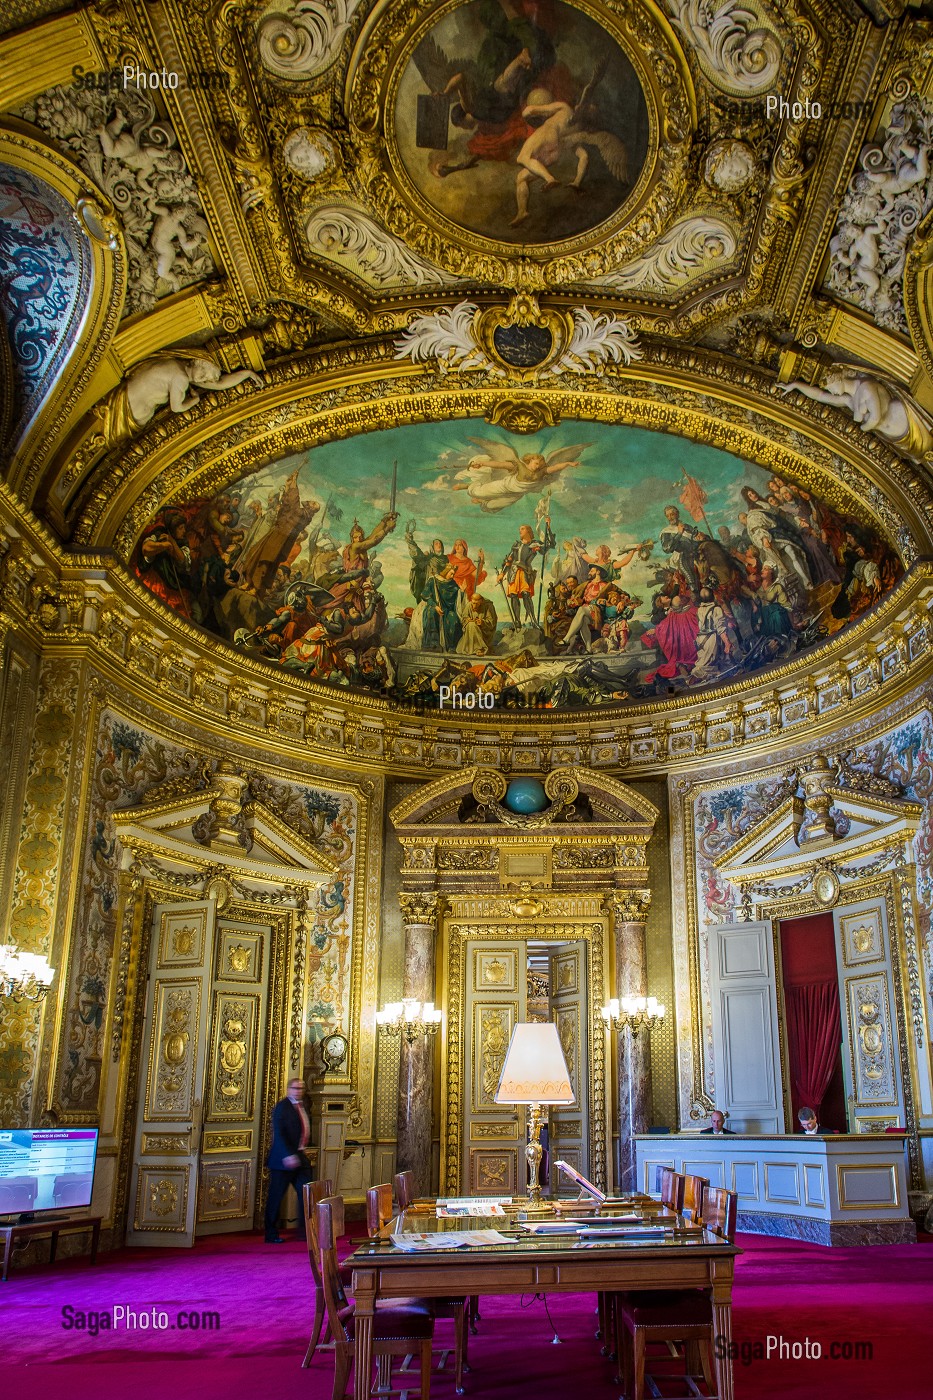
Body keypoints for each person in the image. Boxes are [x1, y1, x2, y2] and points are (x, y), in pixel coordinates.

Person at [264, 1076, 314, 1242]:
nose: (299, 1091)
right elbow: (279, 1134)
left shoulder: (302, 1106)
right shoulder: (282, 1107)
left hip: (300, 1156)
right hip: (283, 1160)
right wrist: (288, 1155)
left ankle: (304, 1231)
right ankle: (271, 1233)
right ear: (289, 1090)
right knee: (276, 1196)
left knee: (306, 1193)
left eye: (301, 1089)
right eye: (296, 1089)